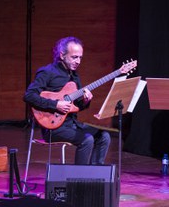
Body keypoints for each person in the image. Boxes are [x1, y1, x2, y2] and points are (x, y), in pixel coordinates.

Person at [23, 36, 111, 165]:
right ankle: (79, 180)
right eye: (74, 57)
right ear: (62, 55)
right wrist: (56, 104)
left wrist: (85, 101)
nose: (78, 61)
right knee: (87, 140)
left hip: (72, 124)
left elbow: (77, 107)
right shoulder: (47, 72)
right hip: (53, 128)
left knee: (104, 136)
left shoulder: (74, 76)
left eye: (80, 57)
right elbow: (29, 96)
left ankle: (95, 177)